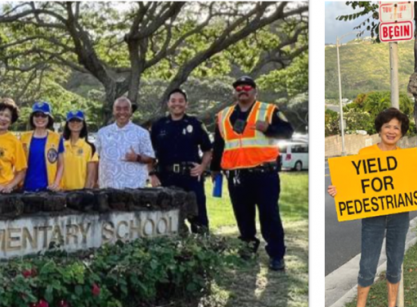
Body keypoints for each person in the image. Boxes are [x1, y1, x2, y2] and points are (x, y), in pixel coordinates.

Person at [328, 107, 417, 307]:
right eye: (387, 126)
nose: (391, 131)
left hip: (399, 215)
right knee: (368, 263)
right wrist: (338, 190)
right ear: (380, 129)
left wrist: (416, 172)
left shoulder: (406, 157)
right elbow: (352, 183)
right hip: (372, 215)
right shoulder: (365, 154)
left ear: (401, 133)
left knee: (395, 260)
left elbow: (407, 186)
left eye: (396, 128)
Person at [212, 75, 294, 272]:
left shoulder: (268, 110)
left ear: (255, 91)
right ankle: (248, 247)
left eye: (247, 87)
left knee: (269, 215)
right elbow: (219, 145)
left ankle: (276, 255)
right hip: (236, 175)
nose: (243, 90)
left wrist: (269, 129)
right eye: (238, 87)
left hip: (264, 174)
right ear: (234, 92)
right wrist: (215, 169)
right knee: (243, 216)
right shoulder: (223, 116)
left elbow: (288, 132)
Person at [150, 88, 213, 233]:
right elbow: (150, 153)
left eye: (180, 101)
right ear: (168, 103)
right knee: (166, 215)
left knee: (198, 215)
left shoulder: (195, 123)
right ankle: (169, 249)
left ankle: (202, 248)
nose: (176, 104)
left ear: (186, 104)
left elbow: (208, 150)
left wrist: (203, 166)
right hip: (166, 176)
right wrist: (152, 174)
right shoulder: (158, 125)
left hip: (191, 176)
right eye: (173, 101)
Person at [95, 97, 155, 189]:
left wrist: (137, 157)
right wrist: (94, 181)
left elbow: (150, 158)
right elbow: (96, 159)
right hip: (107, 187)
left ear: (131, 111)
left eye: (126, 109)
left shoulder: (142, 133)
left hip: (134, 188)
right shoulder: (102, 133)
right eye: (118, 109)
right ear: (113, 111)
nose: (122, 112)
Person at [19, 102, 64, 192]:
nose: (40, 118)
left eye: (43, 115)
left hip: (49, 189)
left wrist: (56, 183)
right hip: (26, 187)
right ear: (32, 118)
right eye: (36, 115)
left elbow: (61, 164)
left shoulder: (56, 138)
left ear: (49, 118)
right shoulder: (23, 137)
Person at [60, 110, 98, 190]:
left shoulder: (90, 147)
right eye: (72, 121)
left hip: (80, 193)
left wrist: (85, 192)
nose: (75, 123)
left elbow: (91, 174)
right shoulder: (61, 145)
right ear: (67, 124)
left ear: (83, 124)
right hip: (62, 192)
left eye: (78, 120)